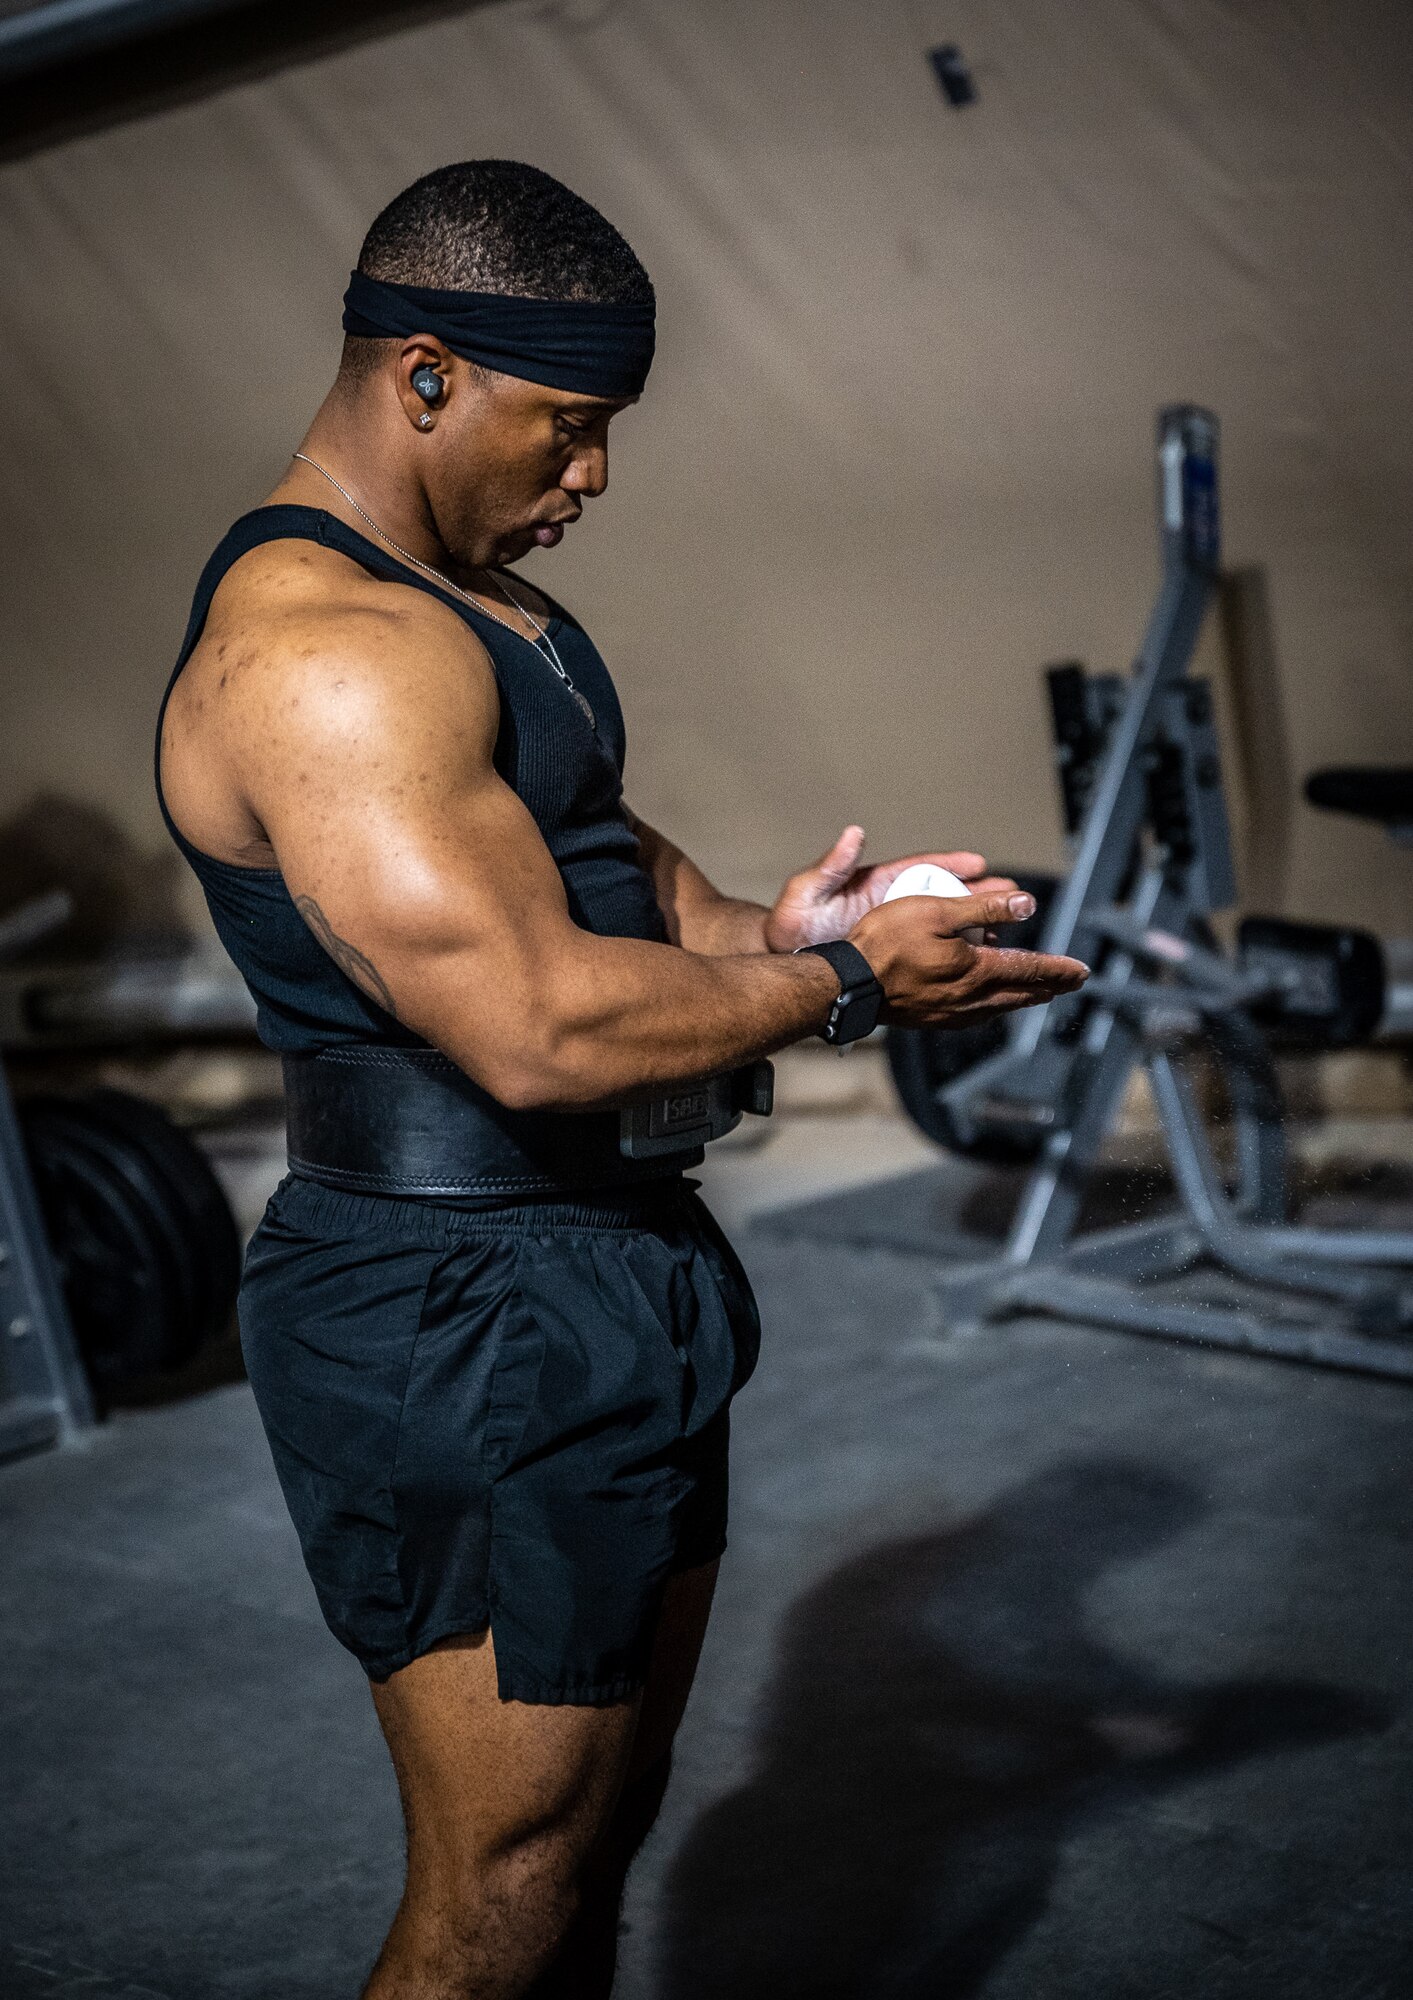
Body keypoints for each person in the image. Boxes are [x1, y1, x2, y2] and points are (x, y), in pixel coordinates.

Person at [155, 159, 1087, 2000]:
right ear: (425, 372)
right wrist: (833, 990)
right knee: (498, 1893)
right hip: (450, 1300)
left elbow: (632, 887)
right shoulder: (325, 659)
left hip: (605, 1262)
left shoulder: (479, 609)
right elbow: (534, 1024)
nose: (593, 475)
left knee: (591, 1846)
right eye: (567, 426)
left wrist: (791, 925)